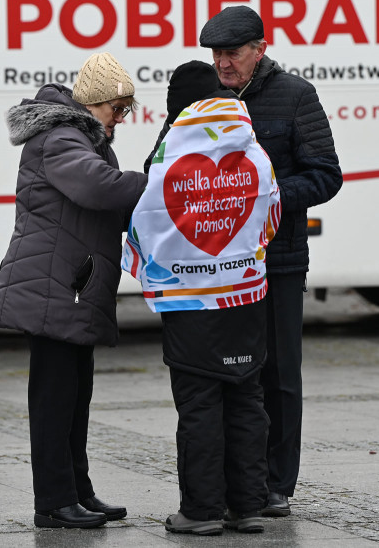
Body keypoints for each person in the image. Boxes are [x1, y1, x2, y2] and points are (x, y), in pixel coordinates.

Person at [0, 52, 148, 529]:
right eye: (116, 108)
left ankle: (78, 491)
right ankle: (54, 502)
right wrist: (161, 184)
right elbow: (100, 188)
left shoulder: (84, 136)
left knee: (75, 398)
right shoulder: (59, 137)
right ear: (93, 102)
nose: (120, 119)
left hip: (71, 286)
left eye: (125, 110)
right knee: (56, 402)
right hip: (51, 287)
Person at [198, 6, 342, 516]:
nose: (223, 64)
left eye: (232, 53)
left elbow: (326, 175)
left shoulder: (296, 96)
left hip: (277, 259)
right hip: (218, 265)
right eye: (216, 54)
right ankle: (240, 481)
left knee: (279, 373)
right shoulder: (204, 96)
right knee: (232, 375)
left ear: (261, 48)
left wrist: (265, 193)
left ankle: (277, 484)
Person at [131, 61, 276, 535]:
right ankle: (249, 506)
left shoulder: (169, 154)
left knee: (199, 405)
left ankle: (201, 511)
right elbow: (271, 214)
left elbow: (142, 224)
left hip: (189, 302)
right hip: (245, 297)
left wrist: (154, 268)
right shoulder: (251, 147)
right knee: (246, 399)